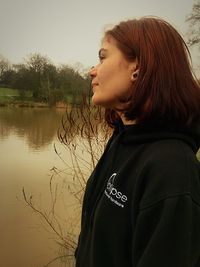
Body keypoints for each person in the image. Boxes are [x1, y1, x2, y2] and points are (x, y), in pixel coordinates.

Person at [75, 16, 200, 267]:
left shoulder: (172, 169)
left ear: (138, 67)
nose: (92, 70)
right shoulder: (123, 138)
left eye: (102, 57)